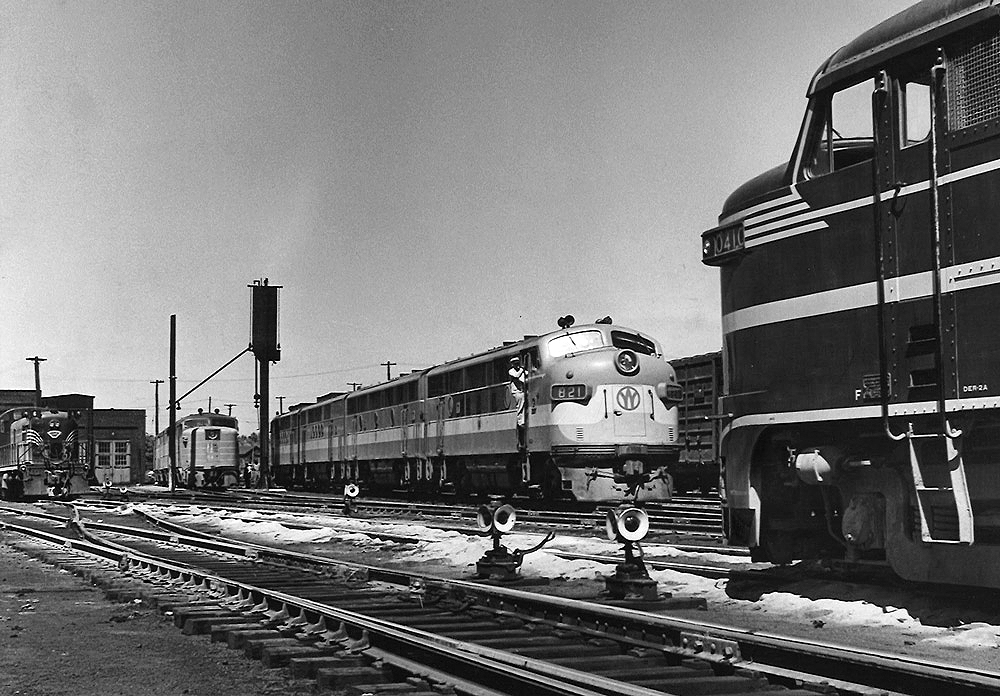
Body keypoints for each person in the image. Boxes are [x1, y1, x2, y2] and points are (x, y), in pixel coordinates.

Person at [508, 355, 526, 449]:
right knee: (520, 404)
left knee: (523, 403)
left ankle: (522, 420)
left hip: (522, 391)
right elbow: (517, 376)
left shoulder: (521, 371)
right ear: (512, 364)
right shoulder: (511, 371)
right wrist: (523, 370)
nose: (517, 365)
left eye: (518, 363)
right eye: (515, 364)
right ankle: (520, 422)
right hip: (517, 392)